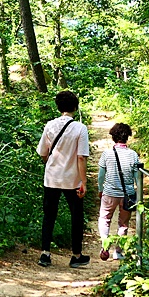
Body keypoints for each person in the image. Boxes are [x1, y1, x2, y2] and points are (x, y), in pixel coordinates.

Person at [36, 90, 90, 268]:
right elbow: (81, 157)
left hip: (51, 177)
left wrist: (50, 163)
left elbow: (43, 153)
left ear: (58, 107)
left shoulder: (50, 125)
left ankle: (45, 254)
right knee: (76, 216)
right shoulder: (80, 128)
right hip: (72, 180)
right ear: (75, 107)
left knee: (49, 215)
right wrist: (84, 182)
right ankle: (76, 255)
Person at [97, 123, 140, 261]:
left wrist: (100, 189)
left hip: (109, 192)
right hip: (127, 195)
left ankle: (105, 246)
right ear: (127, 137)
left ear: (113, 137)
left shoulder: (107, 154)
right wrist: (138, 194)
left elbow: (101, 176)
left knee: (105, 218)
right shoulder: (133, 155)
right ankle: (118, 252)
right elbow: (137, 178)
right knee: (123, 223)